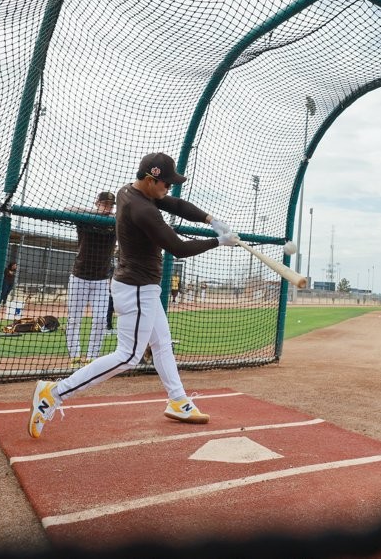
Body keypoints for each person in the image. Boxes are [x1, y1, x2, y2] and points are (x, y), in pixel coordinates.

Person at [28, 152, 238, 438]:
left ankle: (178, 401)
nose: (167, 189)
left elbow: (175, 203)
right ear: (151, 179)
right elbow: (177, 247)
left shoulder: (130, 190)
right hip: (137, 288)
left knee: (162, 343)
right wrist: (218, 241)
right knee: (128, 356)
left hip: (139, 286)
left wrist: (210, 218)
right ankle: (55, 392)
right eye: (164, 183)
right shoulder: (143, 210)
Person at [65, 191, 117, 365]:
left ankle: (92, 357)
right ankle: (75, 356)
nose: (107, 207)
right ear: (97, 203)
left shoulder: (116, 222)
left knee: (101, 319)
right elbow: (67, 208)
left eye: (110, 205)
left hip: (102, 279)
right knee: (74, 319)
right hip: (79, 276)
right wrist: (96, 213)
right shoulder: (86, 218)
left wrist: (114, 215)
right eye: (103, 204)